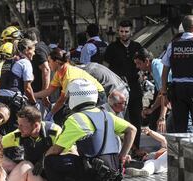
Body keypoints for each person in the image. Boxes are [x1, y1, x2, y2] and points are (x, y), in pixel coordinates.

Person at [43, 79, 136, 181]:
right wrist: (122, 156)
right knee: (65, 177)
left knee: (51, 162)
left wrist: (43, 160)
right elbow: (132, 129)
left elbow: (56, 150)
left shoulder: (76, 119)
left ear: (74, 97)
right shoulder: (106, 114)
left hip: (94, 172)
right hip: (113, 172)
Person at [35, 48, 105, 123]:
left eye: (49, 61)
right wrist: (32, 95)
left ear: (57, 62)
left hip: (97, 95)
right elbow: (49, 91)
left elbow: (61, 101)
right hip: (83, 95)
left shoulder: (68, 76)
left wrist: (51, 114)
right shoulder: (59, 73)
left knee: (90, 121)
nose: (48, 64)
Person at [104, 20, 143, 152]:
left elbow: (143, 64)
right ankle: (119, 149)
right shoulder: (112, 48)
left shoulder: (137, 46)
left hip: (135, 88)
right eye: (121, 31)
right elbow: (106, 67)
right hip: (117, 89)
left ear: (131, 32)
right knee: (118, 118)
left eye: (126, 31)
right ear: (118, 31)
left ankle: (136, 148)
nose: (124, 34)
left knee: (136, 119)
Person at [2, 105, 62, 174]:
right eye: (18, 124)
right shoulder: (19, 134)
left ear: (36, 125)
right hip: (33, 172)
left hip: (55, 171)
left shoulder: (54, 131)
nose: (19, 128)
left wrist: (44, 160)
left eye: (22, 125)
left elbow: (70, 151)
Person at [0, 38, 38, 131]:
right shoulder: (25, 62)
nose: (34, 54)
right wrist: (34, 103)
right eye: (33, 51)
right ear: (26, 50)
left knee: (1, 129)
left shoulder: (8, 61)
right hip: (13, 100)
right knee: (15, 130)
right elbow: (28, 88)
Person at [134, 48, 170, 131]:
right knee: (154, 123)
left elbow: (164, 93)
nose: (137, 67)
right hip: (169, 96)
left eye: (139, 63)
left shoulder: (157, 67)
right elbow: (160, 93)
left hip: (175, 95)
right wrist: (152, 109)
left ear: (146, 61)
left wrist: (162, 117)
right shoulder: (154, 68)